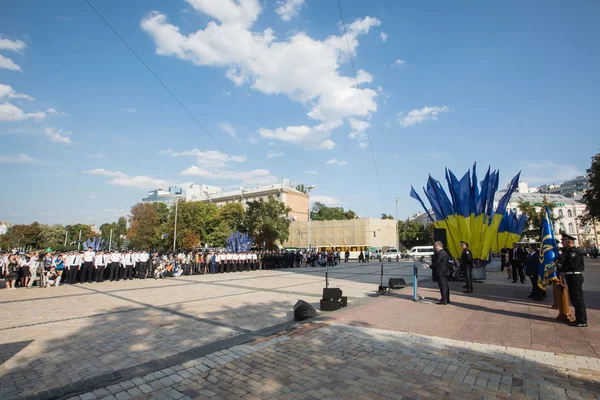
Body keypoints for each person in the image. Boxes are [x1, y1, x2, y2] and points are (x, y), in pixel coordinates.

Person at [559, 234, 587, 327]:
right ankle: (579, 319)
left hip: (575, 277)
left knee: (578, 299)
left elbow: (573, 265)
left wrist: (561, 267)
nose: (562, 242)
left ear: (570, 241)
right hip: (570, 276)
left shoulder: (574, 252)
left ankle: (582, 320)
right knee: (574, 299)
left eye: (564, 240)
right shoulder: (568, 251)